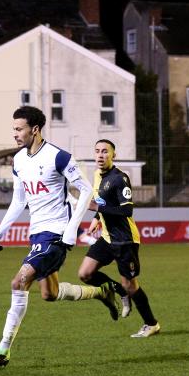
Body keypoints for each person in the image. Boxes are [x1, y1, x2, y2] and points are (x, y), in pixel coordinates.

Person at [0, 107, 117, 368]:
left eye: (19, 129)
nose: (15, 134)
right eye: (14, 129)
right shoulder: (18, 160)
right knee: (49, 294)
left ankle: (2, 349)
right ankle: (101, 292)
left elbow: (85, 191)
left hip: (56, 235)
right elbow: (19, 201)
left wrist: (72, 229)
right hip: (37, 233)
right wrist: (0, 230)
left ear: (35, 129)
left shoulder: (59, 157)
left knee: (18, 282)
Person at [77, 139, 161, 338]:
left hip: (125, 240)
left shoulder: (120, 178)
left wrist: (98, 209)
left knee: (131, 285)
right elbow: (103, 202)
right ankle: (118, 291)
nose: (100, 155)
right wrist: (97, 218)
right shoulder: (97, 175)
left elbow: (127, 209)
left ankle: (151, 324)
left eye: (105, 151)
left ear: (113, 155)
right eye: (97, 151)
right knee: (85, 274)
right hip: (107, 238)